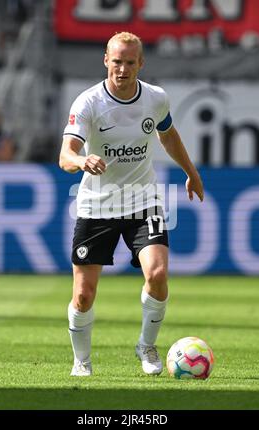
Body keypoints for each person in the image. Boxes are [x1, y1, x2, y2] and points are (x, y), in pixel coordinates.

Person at [59, 32, 204, 377]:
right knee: (83, 295)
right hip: (96, 206)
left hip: (143, 201)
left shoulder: (155, 98)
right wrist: (82, 162)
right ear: (105, 60)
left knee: (157, 274)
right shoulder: (88, 103)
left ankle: (146, 345)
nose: (122, 69)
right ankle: (82, 360)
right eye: (116, 61)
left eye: (129, 62)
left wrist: (191, 173)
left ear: (141, 63)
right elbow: (65, 155)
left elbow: (167, 135)